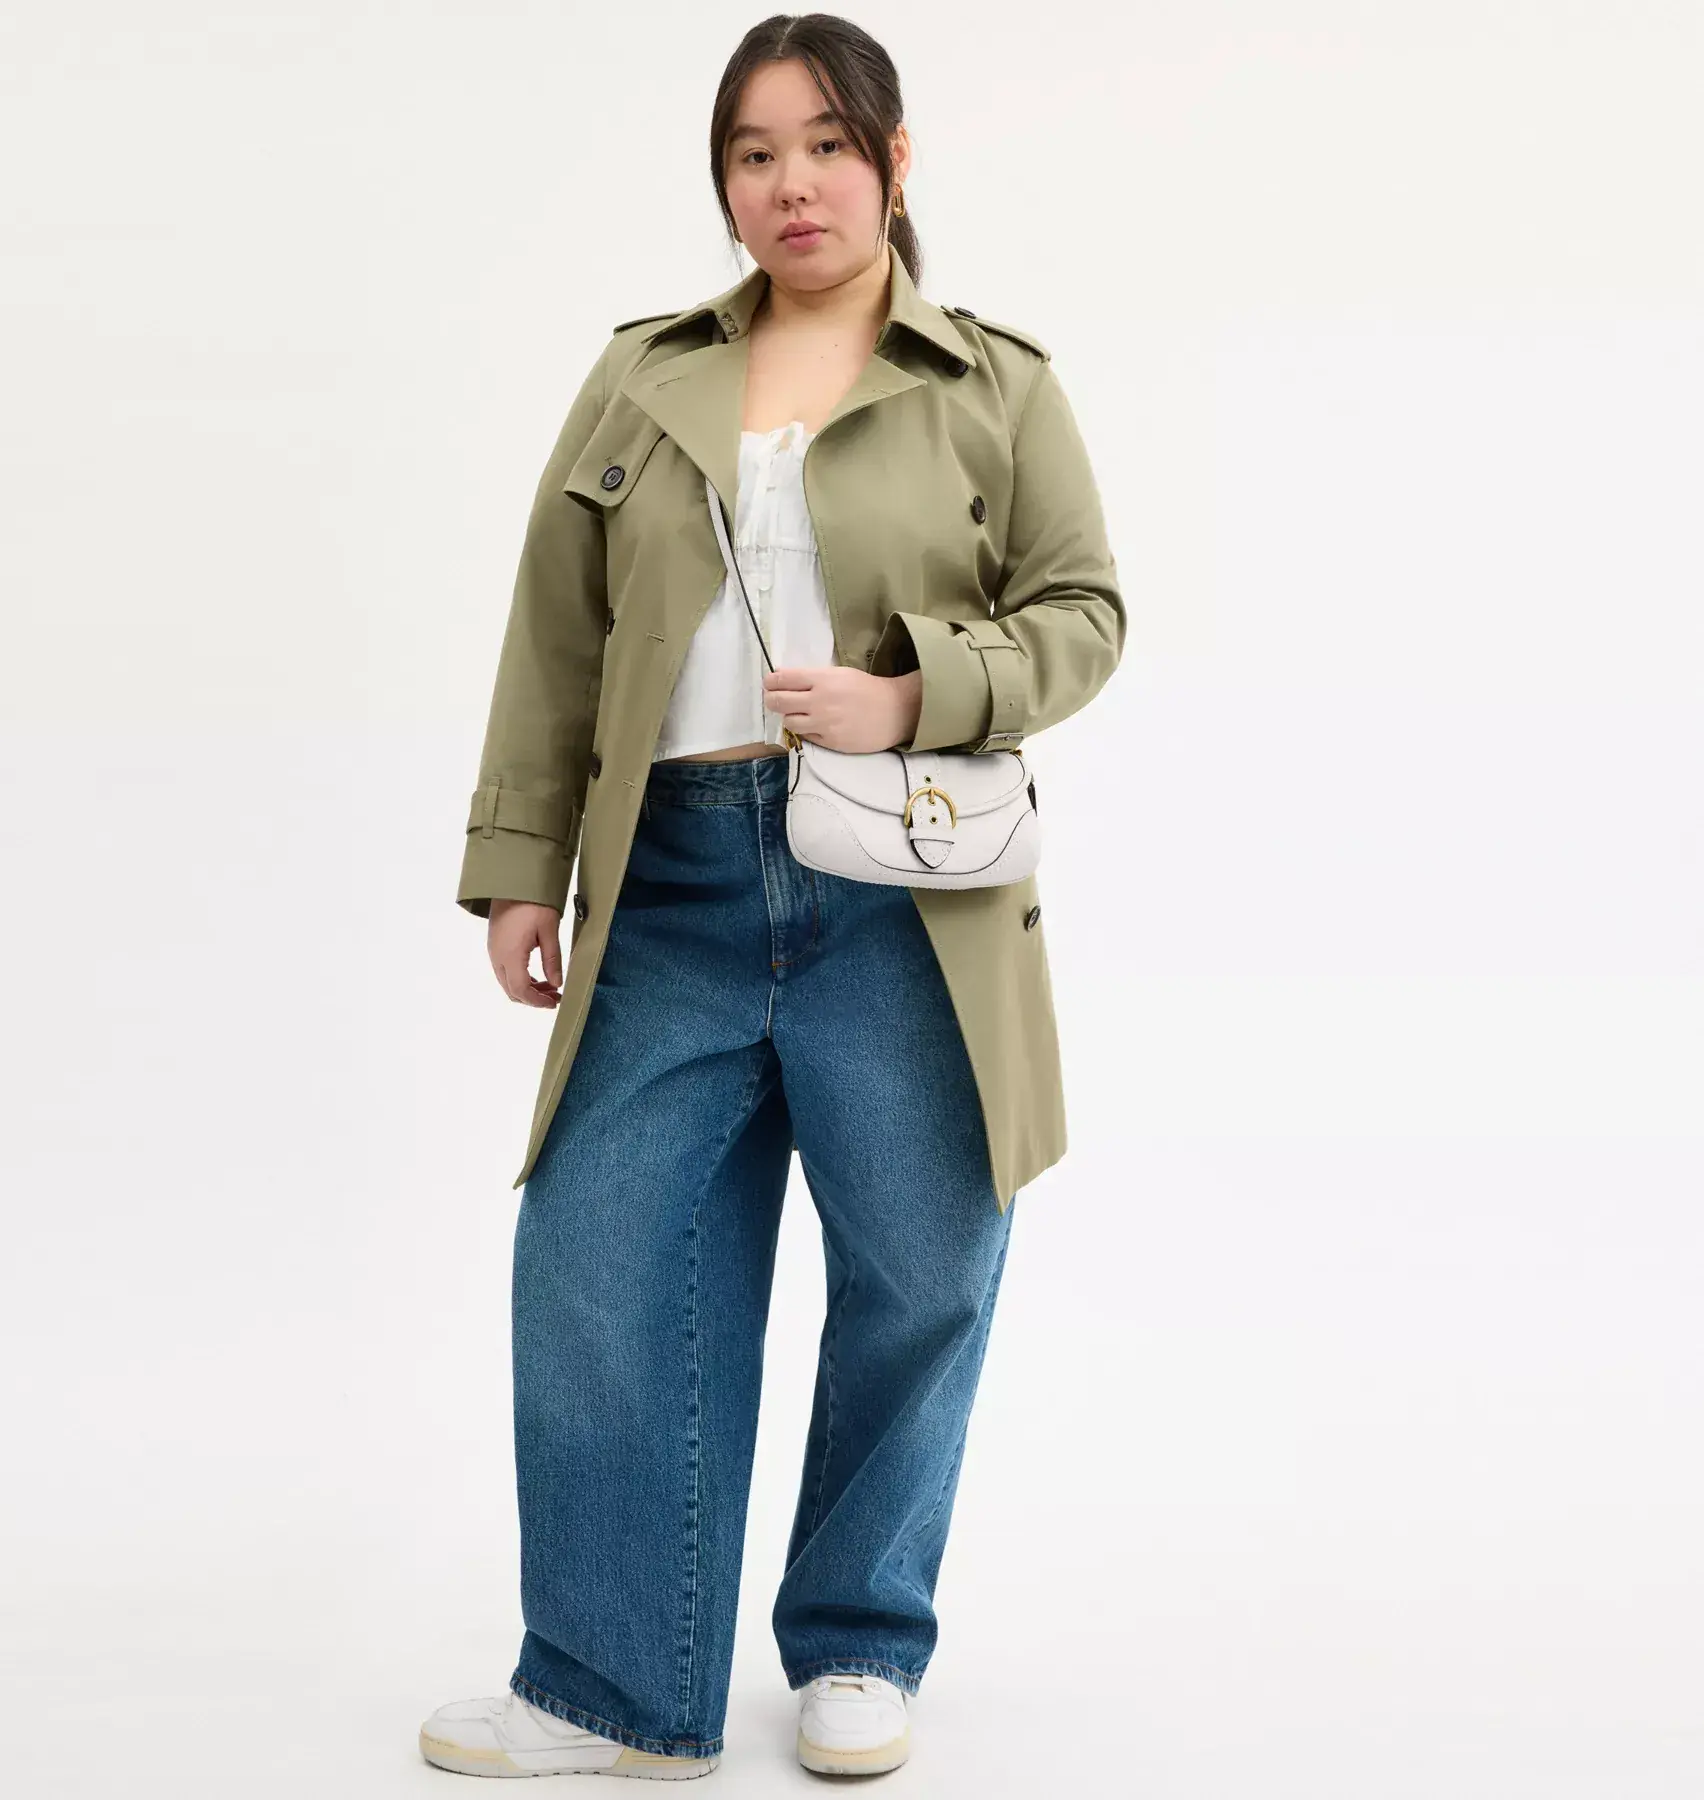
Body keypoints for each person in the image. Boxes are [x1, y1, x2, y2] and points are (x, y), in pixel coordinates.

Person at [418, 15, 1126, 1782]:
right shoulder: (641, 376)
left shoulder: (996, 385)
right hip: (667, 880)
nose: (790, 182)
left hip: (901, 887)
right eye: (753, 153)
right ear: (722, 182)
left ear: (895, 161)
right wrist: (517, 868)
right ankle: (611, 1686)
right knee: (596, 1263)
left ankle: (861, 1643)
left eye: (825, 145)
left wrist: (919, 691)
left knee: (921, 1268)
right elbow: (557, 632)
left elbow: (1083, 615)